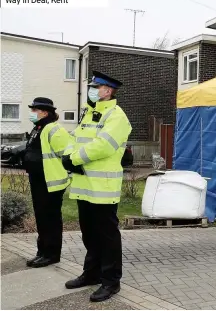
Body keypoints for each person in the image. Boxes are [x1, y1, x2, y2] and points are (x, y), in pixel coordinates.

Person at [62, 71, 132, 302]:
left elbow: (103, 146)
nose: (92, 89)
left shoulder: (116, 116)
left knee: (107, 236)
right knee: (89, 234)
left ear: (108, 91)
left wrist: (74, 159)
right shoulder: (90, 114)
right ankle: (91, 273)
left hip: (102, 188)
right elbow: (75, 139)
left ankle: (111, 282)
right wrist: (68, 154)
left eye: (96, 86)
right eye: (91, 86)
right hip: (84, 185)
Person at [23, 97, 73, 268]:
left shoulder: (53, 129)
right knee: (42, 217)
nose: (32, 113)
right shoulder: (38, 128)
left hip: (51, 182)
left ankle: (51, 254)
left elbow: (67, 155)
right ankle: (42, 252)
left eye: (34, 110)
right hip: (38, 179)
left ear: (45, 112)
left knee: (50, 219)